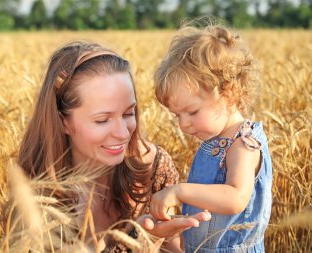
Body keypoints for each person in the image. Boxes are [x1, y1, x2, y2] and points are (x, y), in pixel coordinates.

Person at [16, 41, 211, 252]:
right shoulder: (32, 196)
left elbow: (174, 248)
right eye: (102, 120)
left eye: (129, 113)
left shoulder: (154, 169)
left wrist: (153, 241)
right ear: (63, 121)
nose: (122, 133)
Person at [150, 22, 272, 252]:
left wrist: (179, 191)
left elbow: (235, 197)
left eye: (192, 112)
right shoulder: (216, 140)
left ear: (228, 92)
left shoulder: (243, 145)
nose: (183, 124)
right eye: (177, 115)